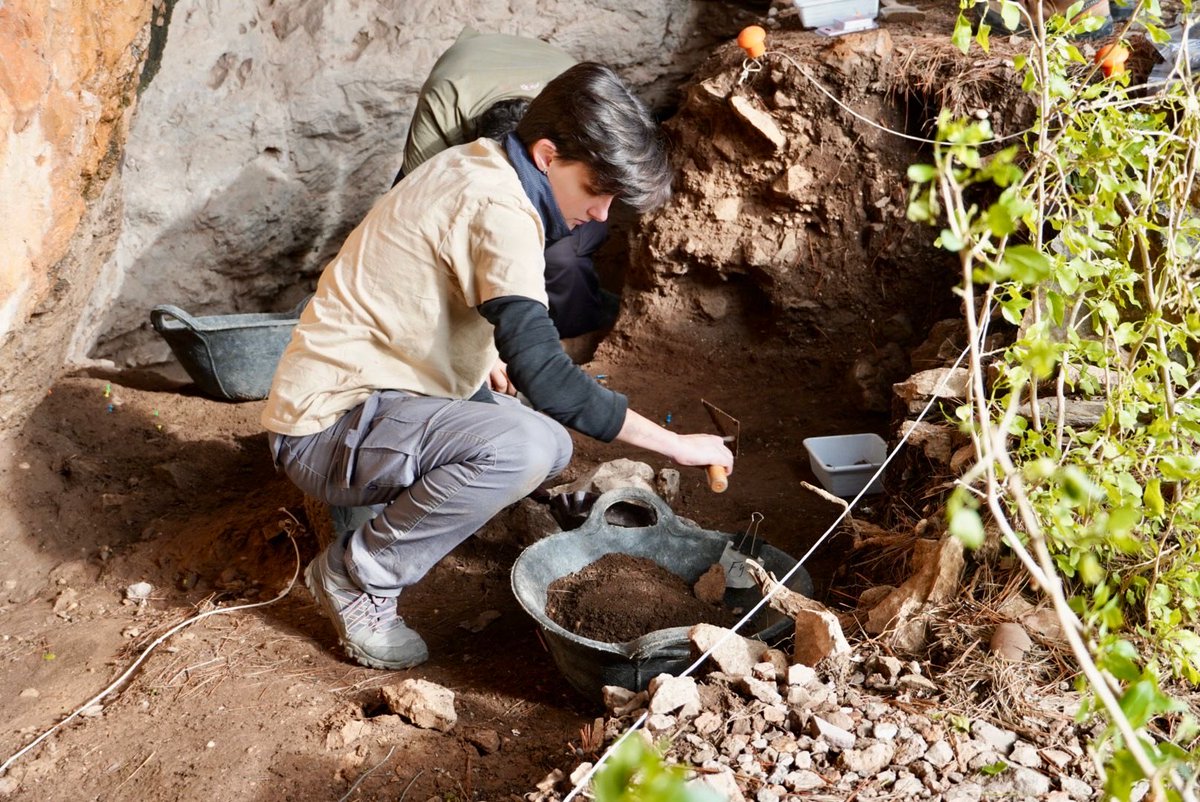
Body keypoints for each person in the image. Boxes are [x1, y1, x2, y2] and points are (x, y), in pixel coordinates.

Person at [262, 62, 734, 671]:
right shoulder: (502, 210)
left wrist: (481, 357)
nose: (599, 214)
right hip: (323, 429)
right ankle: (360, 576)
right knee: (525, 446)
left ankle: (396, 509)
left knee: (549, 447)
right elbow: (550, 380)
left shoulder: (480, 159)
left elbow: (431, 283)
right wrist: (674, 444)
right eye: (597, 191)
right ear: (547, 155)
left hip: (365, 388)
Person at [396, 28, 616, 340]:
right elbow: (414, 208)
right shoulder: (445, 105)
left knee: (563, 255)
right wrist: (477, 347)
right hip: (469, 75)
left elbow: (602, 176)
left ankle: (576, 331)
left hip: (554, 83)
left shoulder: (578, 107)